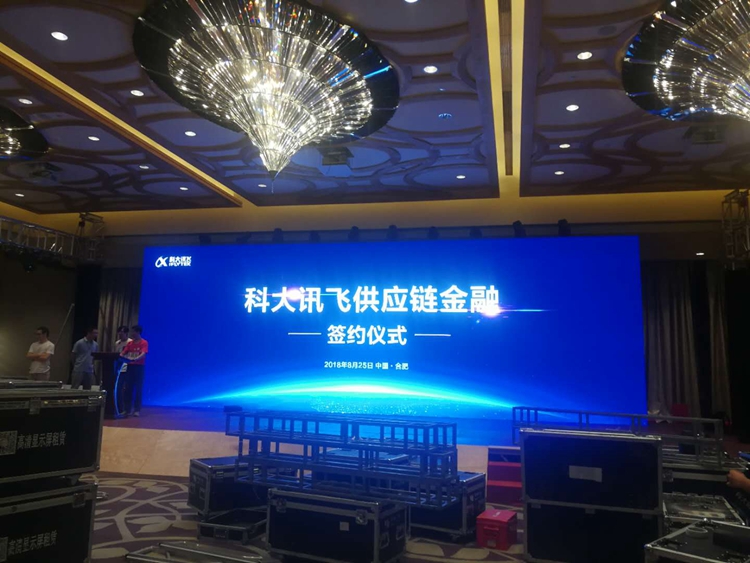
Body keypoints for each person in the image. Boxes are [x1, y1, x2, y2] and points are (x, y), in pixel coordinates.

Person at [120, 325, 148, 417]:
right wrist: (121, 356)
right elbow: (123, 352)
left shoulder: (144, 342)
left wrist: (136, 358)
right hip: (130, 367)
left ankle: (137, 409)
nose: (132, 334)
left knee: (138, 389)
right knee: (128, 388)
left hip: (139, 368)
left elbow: (143, 353)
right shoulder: (130, 343)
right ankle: (127, 409)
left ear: (138, 332)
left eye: (133, 332)